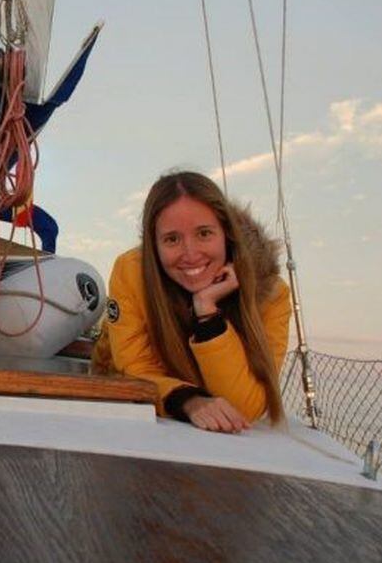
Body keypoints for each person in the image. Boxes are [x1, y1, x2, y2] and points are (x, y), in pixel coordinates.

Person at [91, 170, 291, 432]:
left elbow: (245, 407)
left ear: (227, 234)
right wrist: (189, 401)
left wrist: (207, 314)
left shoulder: (271, 295)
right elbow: (134, 367)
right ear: (154, 245)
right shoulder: (131, 273)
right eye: (172, 239)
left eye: (204, 233)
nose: (190, 254)